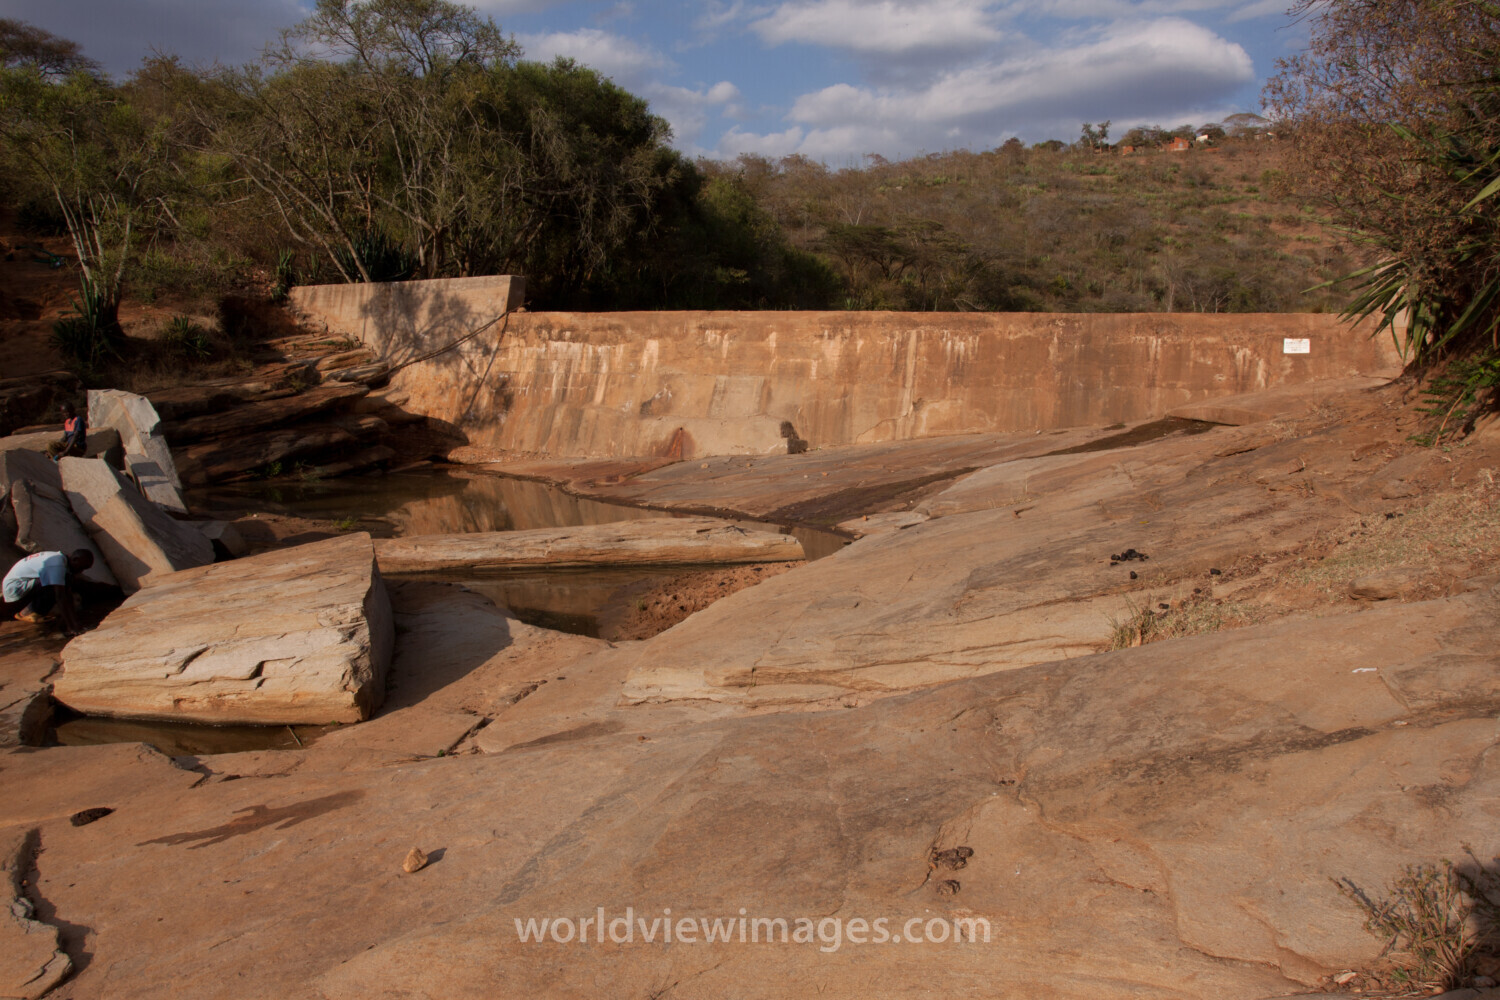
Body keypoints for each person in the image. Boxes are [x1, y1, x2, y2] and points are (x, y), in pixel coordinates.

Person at [2, 549, 93, 635]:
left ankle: (65, 624)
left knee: (63, 582)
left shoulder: (62, 561)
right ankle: (30, 612)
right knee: (55, 586)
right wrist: (72, 626)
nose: (81, 571)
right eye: (82, 567)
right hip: (15, 588)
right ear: (75, 559)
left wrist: (75, 622)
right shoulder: (57, 564)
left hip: (23, 584)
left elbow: (67, 594)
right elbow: (60, 596)